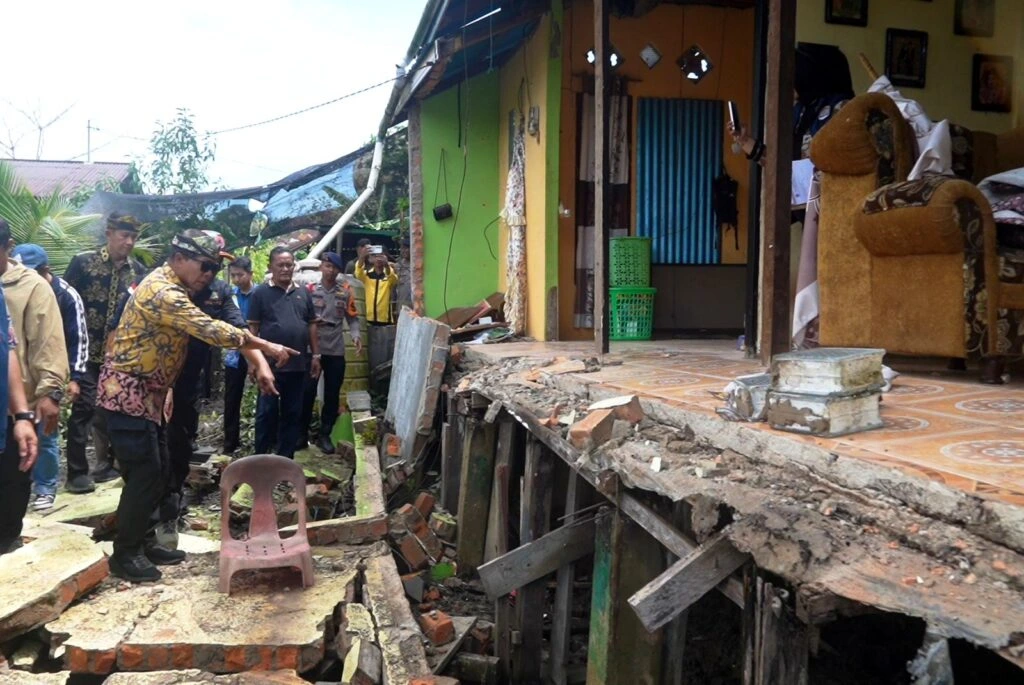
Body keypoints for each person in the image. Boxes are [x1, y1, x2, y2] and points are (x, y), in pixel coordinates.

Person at [96, 232, 296, 583]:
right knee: (144, 474)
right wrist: (267, 346)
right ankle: (125, 554)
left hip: (151, 396)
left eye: (214, 267)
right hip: (127, 395)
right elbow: (210, 329)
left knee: (159, 471)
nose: (209, 274)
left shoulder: (182, 287)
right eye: (205, 265)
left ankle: (143, 541)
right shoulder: (163, 291)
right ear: (178, 258)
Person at [63, 212, 148, 493]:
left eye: (133, 237)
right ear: (109, 234)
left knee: (114, 409)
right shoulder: (83, 263)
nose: (129, 242)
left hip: (119, 357)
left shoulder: (138, 271)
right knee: (84, 410)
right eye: (124, 235)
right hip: (85, 353)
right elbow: (64, 303)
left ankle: (108, 465)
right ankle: (76, 473)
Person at [11, 244, 88, 511]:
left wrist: (74, 378)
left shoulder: (66, 296)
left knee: (46, 434)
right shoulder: (12, 289)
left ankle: (45, 488)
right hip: (19, 377)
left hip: (48, 377)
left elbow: (78, 339)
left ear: (46, 271)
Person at [729, 43, 854, 164]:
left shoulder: (842, 108)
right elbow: (780, 162)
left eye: (793, 76)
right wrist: (744, 141)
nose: (786, 84)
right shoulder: (801, 110)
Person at [248, 246, 319, 459]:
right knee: (266, 412)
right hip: (269, 366)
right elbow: (253, 329)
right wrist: (253, 362)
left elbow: (312, 325)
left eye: (289, 265)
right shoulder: (260, 293)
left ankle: (285, 460)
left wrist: (316, 355)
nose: (285, 269)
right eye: (280, 265)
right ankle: (260, 458)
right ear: (271, 267)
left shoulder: (303, 293)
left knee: (292, 413)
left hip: (297, 365)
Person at [301, 252, 362, 454]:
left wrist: (356, 336)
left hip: (335, 350)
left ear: (339, 271)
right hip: (312, 348)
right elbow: (300, 315)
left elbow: (352, 318)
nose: (330, 270)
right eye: (327, 266)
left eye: (334, 267)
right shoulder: (309, 289)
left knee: (332, 394)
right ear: (321, 267)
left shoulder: (345, 291)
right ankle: (301, 434)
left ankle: (324, 435)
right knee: (307, 392)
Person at [223, 256, 256, 454]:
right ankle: (230, 442)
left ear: (250, 274)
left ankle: (263, 441)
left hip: (257, 353)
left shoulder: (260, 294)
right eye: (233, 275)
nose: (236, 279)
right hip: (234, 355)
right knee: (231, 398)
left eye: (240, 275)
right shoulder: (230, 295)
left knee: (264, 395)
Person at [355, 247, 399, 373]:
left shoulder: (388, 275)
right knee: (369, 353)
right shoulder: (367, 276)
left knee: (384, 353)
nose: (378, 259)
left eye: (381, 256)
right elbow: (358, 273)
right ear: (371, 259)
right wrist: (362, 257)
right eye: (375, 256)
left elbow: (393, 279)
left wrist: (387, 265)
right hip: (368, 320)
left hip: (385, 321)